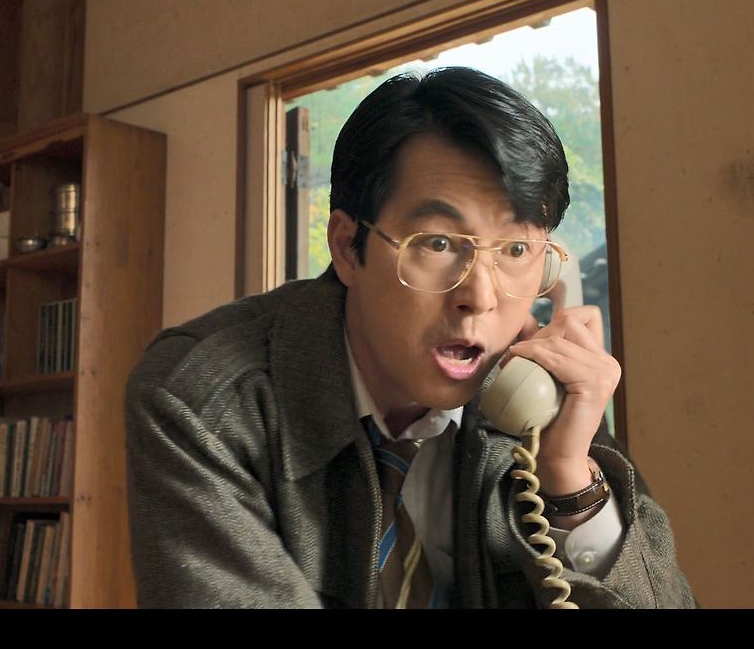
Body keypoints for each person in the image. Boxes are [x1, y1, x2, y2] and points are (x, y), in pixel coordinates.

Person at [124, 66, 696, 608]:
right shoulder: (201, 401)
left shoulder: (538, 395)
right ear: (348, 248)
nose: (480, 296)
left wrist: (571, 482)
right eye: (438, 244)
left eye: (517, 249)